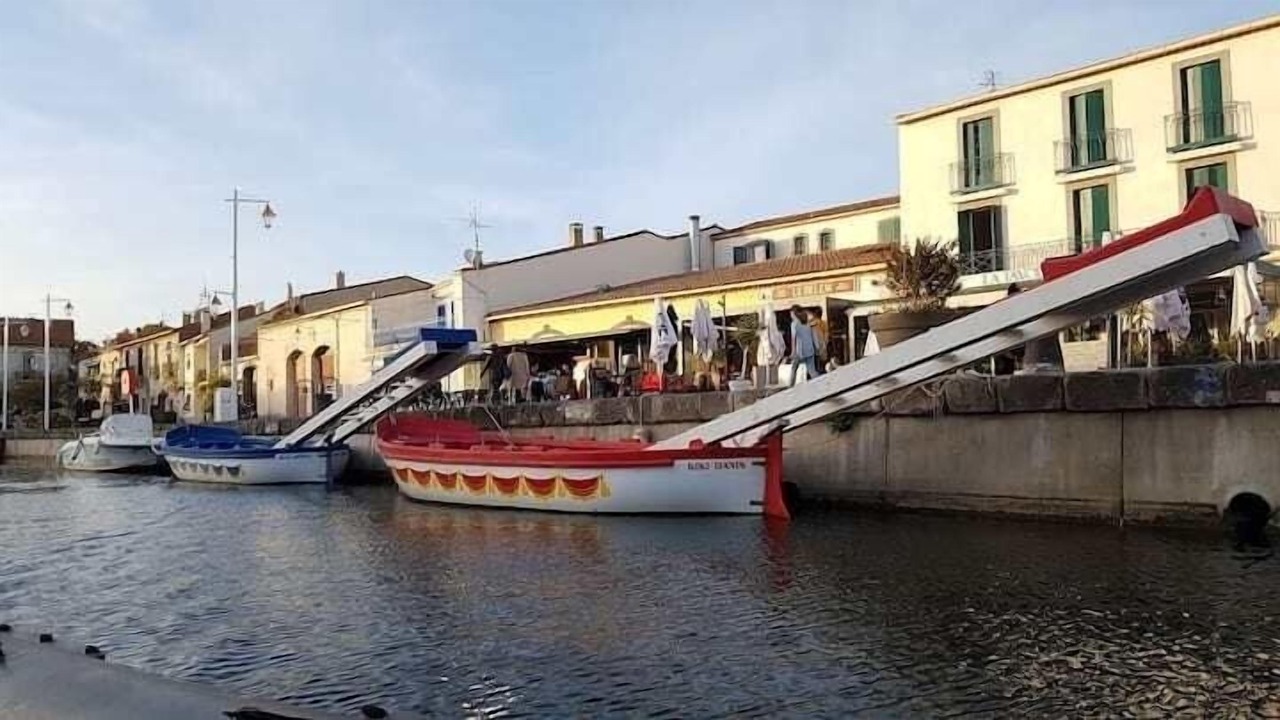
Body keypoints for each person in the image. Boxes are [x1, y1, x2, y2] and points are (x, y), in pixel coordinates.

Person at [787, 305, 819, 383]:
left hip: (800, 351)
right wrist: (816, 347)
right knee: (812, 370)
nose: (790, 316)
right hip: (810, 350)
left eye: (791, 314)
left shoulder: (794, 324)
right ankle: (819, 383)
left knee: (794, 369)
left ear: (794, 314)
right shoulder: (807, 323)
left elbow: (793, 338)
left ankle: (790, 387)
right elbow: (813, 336)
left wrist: (793, 352)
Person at [808, 307, 829, 374]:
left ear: (814, 314)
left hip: (815, 350)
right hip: (823, 350)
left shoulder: (812, 324)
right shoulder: (824, 323)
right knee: (823, 368)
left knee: (816, 369)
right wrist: (824, 346)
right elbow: (826, 336)